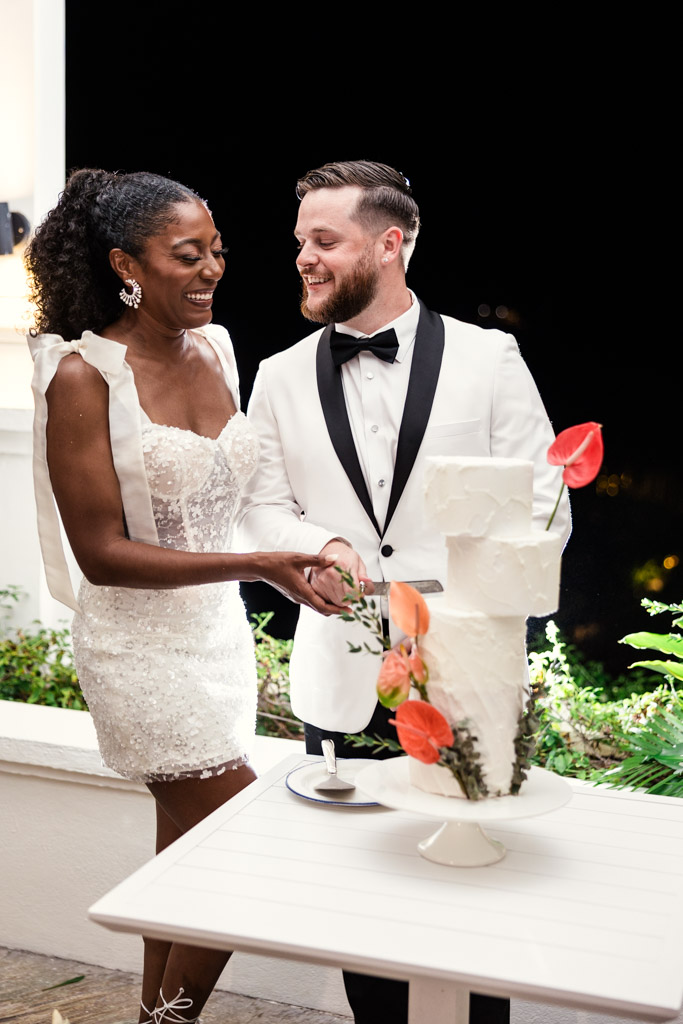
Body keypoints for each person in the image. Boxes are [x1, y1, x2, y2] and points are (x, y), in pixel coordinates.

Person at [236, 160, 571, 1024]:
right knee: (362, 895)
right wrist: (323, 544)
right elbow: (259, 503)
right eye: (300, 241)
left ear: (389, 244)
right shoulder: (277, 375)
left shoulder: (489, 358)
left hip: (468, 670)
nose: (303, 258)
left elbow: (544, 495)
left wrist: (472, 604)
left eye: (324, 240)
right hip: (344, 670)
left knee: (475, 879)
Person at [24, 169, 338, 1024]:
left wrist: (310, 549)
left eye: (217, 252)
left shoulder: (217, 349)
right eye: (187, 255)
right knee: (240, 848)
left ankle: (157, 1021)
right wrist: (259, 566)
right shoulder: (83, 376)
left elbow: (244, 497)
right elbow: (101, 555)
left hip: (217, 643)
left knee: (186, 867)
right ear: (126, 264)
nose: (211, 271)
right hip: (138, 653)